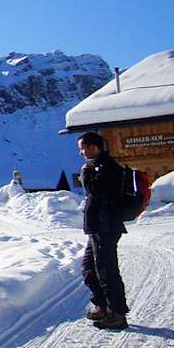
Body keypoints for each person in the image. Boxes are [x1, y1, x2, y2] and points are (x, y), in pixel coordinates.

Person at [77, 131, 129, 329]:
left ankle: (118, 313)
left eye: (82, 149)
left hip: (105, 226)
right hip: (98, 226)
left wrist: (86, 172)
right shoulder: (98, 166)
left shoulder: (106, 168)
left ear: (93, 147)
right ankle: (102, 306)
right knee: (89, 269)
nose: (81, 153)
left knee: (107, 271)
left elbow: (95, 191)